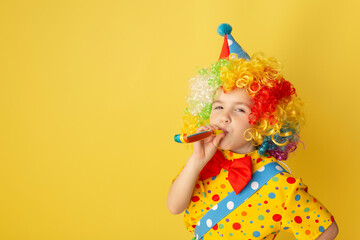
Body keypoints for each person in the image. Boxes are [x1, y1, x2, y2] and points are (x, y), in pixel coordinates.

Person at [167, 24, 338, 240]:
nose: (224, 116)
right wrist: (196, 160)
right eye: (218, 106)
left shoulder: (278, 182)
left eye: (239, 109)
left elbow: (326, 229)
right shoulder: (205, 162)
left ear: (262, 120)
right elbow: (174, 207)